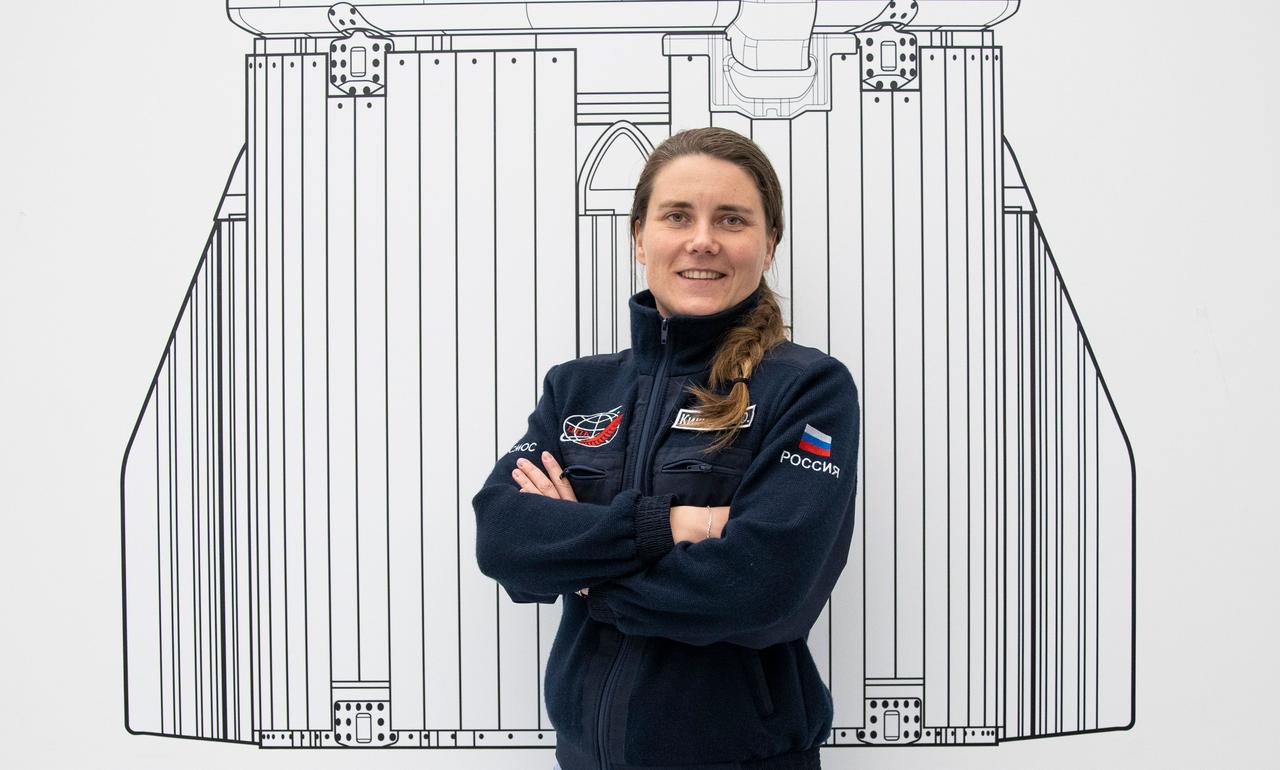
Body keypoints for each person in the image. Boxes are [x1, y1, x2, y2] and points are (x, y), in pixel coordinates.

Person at [473, 127, 860, 770]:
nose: (701, 239)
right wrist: (675, 525)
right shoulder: (577, 387)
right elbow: (504, 537)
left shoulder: (808, 388)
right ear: (639, 238)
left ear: (768, 246)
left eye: (731, 219)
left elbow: (767, 589)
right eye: (677, 215)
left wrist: (588, 574)